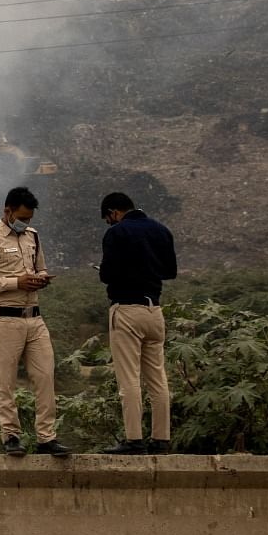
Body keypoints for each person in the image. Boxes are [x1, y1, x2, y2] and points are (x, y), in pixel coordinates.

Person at [0, 187, 71, 457]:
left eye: (29, 218)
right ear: (8, 211)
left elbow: (40, 268)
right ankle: (11, 435)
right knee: (6, 381)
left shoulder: (33, 237)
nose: (25, 223)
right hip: (7, 318)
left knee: (45, 377)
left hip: (35, 317)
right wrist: (16, 282)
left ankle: (46, 437)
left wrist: (40, 278)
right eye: (22, 217)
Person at [97, 192, 177, 455]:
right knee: (157, 378)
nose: (109, 223)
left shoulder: (116, 234)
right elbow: (170, 271)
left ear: (114, 212)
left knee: (129, 378)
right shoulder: (161, 230)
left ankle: (134, 439)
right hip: (154, 310)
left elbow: (107, 275)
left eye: (108, 218)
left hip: (127, 309)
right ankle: (161, 439)